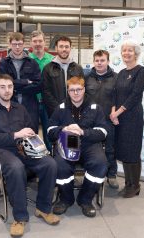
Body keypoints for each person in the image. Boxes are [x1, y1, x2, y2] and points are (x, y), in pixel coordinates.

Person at [0, 74, 59, 237]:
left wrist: (32, 137)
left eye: (9, 86)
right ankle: (20, 217)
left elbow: (29, 129)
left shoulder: (20, 108)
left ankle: (43, 209)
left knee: (50, 164)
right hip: (0, 151)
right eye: (2, 87)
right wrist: (16, 134)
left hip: (22, 148)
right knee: (16, 167)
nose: (7, 90)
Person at [48, 76, 108, 218]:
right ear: (67, 92)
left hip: (89, 144)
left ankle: (85, 199)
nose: (75, 93)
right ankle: (66, 199)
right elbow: (50, 130)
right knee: (59, 165)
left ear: (84, 90)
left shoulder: (95, 107)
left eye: (79, 90)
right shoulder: (61, 108)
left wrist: (83, 132)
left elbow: (104, 132)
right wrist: (63, 129)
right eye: (72, 90)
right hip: (67, 144)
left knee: (100, 164)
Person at [110, 41, 144, 198]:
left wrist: (117, 113)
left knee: (132, 150)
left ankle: (135, 185)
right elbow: (114, 94)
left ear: (136, 54)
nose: (126, 53)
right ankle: (128, 183)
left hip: (132, 117)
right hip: (119, 118)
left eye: (130, 51)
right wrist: (113, 113)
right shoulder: (121, 73)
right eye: (124, 50)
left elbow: (135, 95)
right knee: (124, 150)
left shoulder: (141, 71)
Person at [85, 50, 119, 189]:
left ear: (108, 61)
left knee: (110, 148)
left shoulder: (116, 78)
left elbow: (119, 98)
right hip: (90, 122)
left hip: (108, 120)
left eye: (102, 60)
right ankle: (92, 173)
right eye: (97, 60)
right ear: (94, 62)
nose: (99, 63)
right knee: (90, 149)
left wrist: (115, 112)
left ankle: (111, 175)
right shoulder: (86, 78)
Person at [0, 32, 41, 133]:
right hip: (10, 105)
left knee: (31, 135)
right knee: (13, 136)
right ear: (10, 44)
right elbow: (3, 83)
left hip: (30, 107)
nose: (17, 47)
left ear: (24, 44)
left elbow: (38, 85)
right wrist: (26, 82)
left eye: (20, 44)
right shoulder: (4, 63)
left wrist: (15, 86)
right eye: (14, 44)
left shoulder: (32, 63)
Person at [42, 35, 85, 118]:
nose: (64, 49)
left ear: (70, 48)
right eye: (61, 46)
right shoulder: (48, 68)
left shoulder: (78, 68)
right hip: (54, 112)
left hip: (74, 112)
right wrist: (58, 109)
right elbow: (46, 92)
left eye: (66, 47)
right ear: (56, 48)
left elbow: (82, 89)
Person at [29, 30, 54, 151]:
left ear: (45, 42)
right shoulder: (26, 60)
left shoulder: (53, 60)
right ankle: (33, 159)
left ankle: (51, 159)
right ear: (30, 43)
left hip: (47, 103)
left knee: (49, 131)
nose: (38, 43)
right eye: (35, 41)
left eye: (40, 41)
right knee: (30, 132)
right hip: (30, 102)